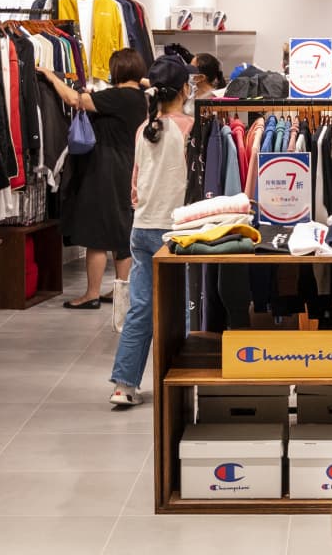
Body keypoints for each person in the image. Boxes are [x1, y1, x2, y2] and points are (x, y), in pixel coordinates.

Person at [108, 53, 194, 407]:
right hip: (175, 230)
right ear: (185, 89)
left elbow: (135, 184)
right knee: (184, 307)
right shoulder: (189, 127)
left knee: (141, 308)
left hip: (142, 227)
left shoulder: (144, 129)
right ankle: (182, 379)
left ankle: (124, 385)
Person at [41, 48, 149, 309]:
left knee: (97, 233)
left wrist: (51, 76)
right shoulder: (139, 97)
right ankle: (121, 291)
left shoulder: (119, 96)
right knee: (120, 232)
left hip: (106, 168)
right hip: (126, 166)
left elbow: (74, 100)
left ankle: (91, 294)